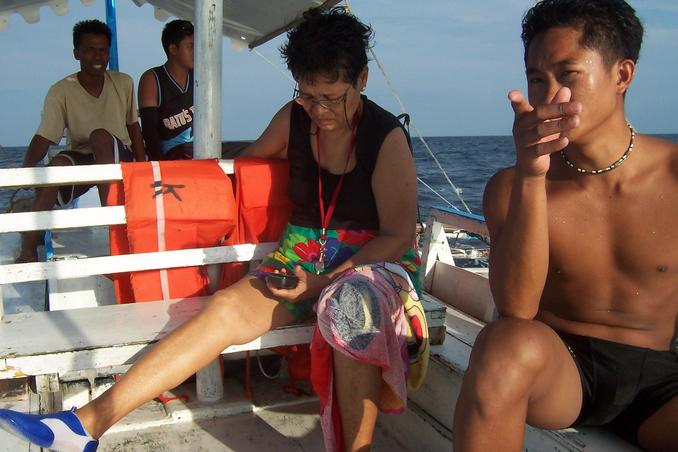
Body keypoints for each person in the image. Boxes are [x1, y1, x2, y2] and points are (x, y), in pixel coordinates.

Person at [0, 8, 428, 452]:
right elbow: (238, 167)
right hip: (302, 257)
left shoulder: (385, 136)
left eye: (332, 98)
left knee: (351, 308)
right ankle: (85, 424)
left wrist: (324, 282)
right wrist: (163, 183)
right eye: (307, 95)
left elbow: (397, 235)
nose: (318, 111)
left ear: (361, 78)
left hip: (373, 263)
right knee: (224, 308)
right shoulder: (295, 118)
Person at [453, 1, 678, 451]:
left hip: (660, 382)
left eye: (567, 74)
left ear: (622, 75)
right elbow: (516, 308)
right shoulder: (512, 186)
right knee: (503, 345)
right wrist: (532, 175)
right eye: (537, 79)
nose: (549, 96)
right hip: (562, 371)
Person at [14, 19, 145, 263]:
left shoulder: (124, 82)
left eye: (103, 50)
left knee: (100, 137)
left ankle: (115, 232)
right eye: (90, 50)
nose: (98, 56)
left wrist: (142, 164)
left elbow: (133, 126)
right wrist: (26, 171)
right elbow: (45, 135)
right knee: (55, 169)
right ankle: (29, 246)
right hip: (85, 155)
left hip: (119, 155)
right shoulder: (61, 89)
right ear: (77, 53)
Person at [138, 19, 195, 161]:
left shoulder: (200, 76)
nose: (197, 52)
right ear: (173, 49)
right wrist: (160, 167)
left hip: (199, 148)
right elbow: (149, 131)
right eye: (191, 46)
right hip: (172, 152)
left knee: (246, 149)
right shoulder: (152, 78)